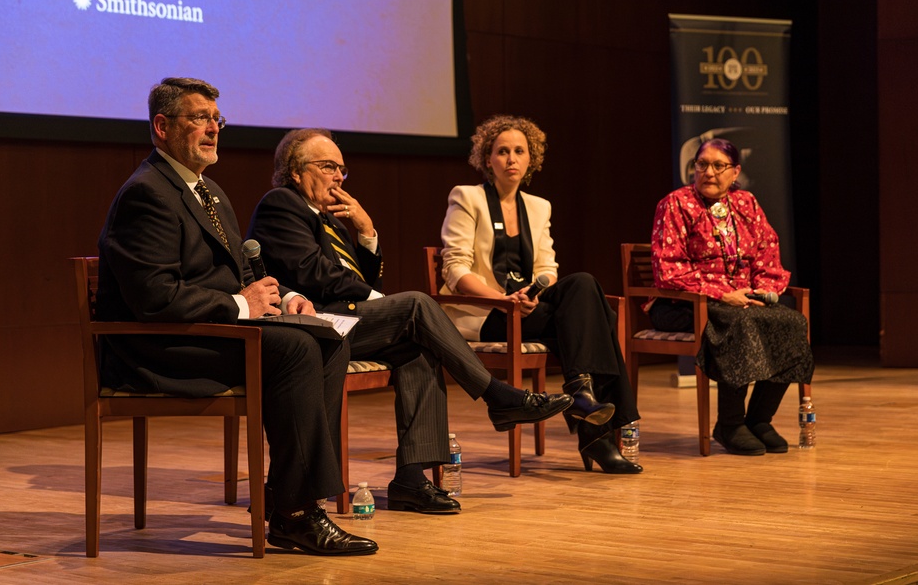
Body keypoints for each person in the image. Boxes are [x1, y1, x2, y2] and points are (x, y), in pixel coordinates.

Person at [96, 78, 376, 556]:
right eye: (199, 118)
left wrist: (286, 299)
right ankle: (295, 512)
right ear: (162, 127)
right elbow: (155, 297)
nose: (212, 129)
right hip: (155, 345)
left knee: (327, 336)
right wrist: (242, 304)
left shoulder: (209, 191)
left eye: (216, 119)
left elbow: (246, 270)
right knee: (294, 347)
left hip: (208, 329)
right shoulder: (146, 194)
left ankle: (294, 502)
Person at [246, 128, 573, 511]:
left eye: (342, 169)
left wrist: (366, 232)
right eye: (328, 166)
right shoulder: (281, 204)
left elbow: (365, 281)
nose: (338, 176)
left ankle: (411, 479)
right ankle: (496, 395)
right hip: (314, 325)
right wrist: (379, 300)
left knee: (418, 348)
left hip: (347, 321)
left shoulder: (332, 219)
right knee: (416, 305)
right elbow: (313, 273)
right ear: (296, 171)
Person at [439, 115, 642, 475]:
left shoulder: (538, 206)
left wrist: (534, 291)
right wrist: (503, 300)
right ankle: (597, 433)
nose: (511, 159)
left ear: (531, 159)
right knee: (600, 318)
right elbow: (455, 269)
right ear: (488, 159)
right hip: (488, 314)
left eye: (520, 151)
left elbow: (549, 268)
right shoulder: (466, 197)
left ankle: (584, 397)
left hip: (528, 309)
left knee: (582, 283)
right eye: (502, 152)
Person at [649, 137, 814, 456]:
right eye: (701, 164)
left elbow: (768, 252)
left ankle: (759, 420)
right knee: (737, 323)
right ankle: (729, 423)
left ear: (735, 171)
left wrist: (758, 293)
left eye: (718, 166)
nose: (708, 172)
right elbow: (669, 269)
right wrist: (724, 294)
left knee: (790, 323)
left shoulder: (746, 203)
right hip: (681, 304)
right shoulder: (676, 204)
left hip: (742, 302)